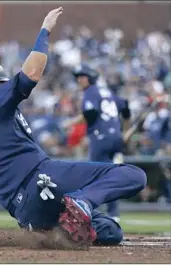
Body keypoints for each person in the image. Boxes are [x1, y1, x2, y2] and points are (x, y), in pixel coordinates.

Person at [0, 7, 146, 247]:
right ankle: (81, 200)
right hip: (41, 179)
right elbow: (31, 74)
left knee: (111, 231)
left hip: (26, 214)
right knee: (133, 175)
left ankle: (64, 225)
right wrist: (45, 31)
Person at [61, 65, 132, 222]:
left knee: (95, 176)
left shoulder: (91, 91)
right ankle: (114, 215)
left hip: (100, 139)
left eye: (83, 76)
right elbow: (125, 107)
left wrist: (70, 122)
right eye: (78, 77)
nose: (79, 80)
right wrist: (126, 131)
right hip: (116, 139)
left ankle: (92, 212)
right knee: (112, 175)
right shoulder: (107, 91)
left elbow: (90, 114)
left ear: (90, 78)